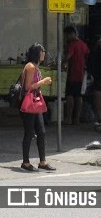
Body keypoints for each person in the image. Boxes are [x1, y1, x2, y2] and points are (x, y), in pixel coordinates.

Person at [19, 43, 55, 172]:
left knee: (41, 132)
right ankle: (25, 162)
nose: (44, 53)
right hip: (28, 103)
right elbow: (28, 87)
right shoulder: (30, 66)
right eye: (42, 51)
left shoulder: (36, 66)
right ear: (37, 53)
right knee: (29, 132)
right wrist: (43, 82)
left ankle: (42, 161)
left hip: (35, 103)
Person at [62, 26, 89, 125]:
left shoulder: (72, 45)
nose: (67, 37)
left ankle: (69, 118)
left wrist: (62, 63)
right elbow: (87, 55)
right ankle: (76, 118)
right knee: (78, 96)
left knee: (70, 96)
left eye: (67, 35)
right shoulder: (83, 44)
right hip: (81, 74)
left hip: (73, 74)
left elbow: (68, 57)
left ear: (71, 34)